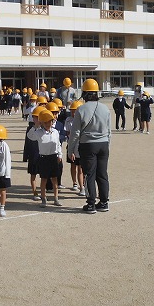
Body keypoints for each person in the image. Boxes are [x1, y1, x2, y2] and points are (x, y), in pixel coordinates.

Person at [67, 78, 111, 214]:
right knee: (102, 174)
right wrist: (107, 144)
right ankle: (104, 202)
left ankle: (91, 204)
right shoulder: (105, 108)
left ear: (85, 93)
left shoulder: (81, 109)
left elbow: (75, 133)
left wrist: (70, 149)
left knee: (89, 175)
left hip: (88, 145)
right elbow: (109, 131)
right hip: (103, 144)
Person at [27, 110, 62, 207]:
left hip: (53, 157)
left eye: (49, 121)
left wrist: (60, 155)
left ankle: (56, 198)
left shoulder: (55, 132)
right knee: (44, 179)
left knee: (55, 179)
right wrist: (36, 126)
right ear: (41, 122)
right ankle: (44, 199)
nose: (47, 124)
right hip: (43, 158)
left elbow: (58, 144)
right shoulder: (38, 132)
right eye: (45, 122)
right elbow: (30, 136)